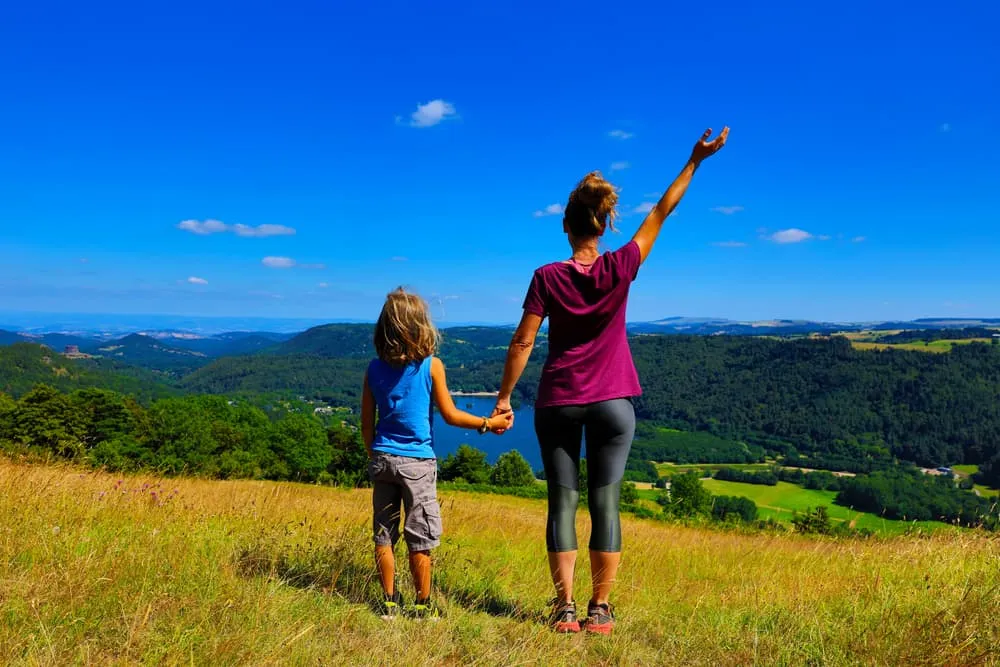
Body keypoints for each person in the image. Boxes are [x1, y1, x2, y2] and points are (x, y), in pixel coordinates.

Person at [492, 127, 729, 634]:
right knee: (606, 502)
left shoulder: (546, 277)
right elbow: (662, 211)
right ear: (603, 225)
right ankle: (601, 609)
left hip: (558, 400)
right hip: (614, 403)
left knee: (563, 500)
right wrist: (694, 161)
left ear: (565, 225)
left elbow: (522, 343)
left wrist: (505, 398)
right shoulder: (622, 265)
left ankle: (565, 610)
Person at [361, 287, 512, 620]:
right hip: (418, 464)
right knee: (421, 535)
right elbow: (451, 415)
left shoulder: (373, 369)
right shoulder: (431, 367)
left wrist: (376, 453)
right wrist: (489, 422)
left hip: (382, 460)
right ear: (421, 326)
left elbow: (366, 426)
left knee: (384, 534)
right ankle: (423, 605)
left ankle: (388, 603)